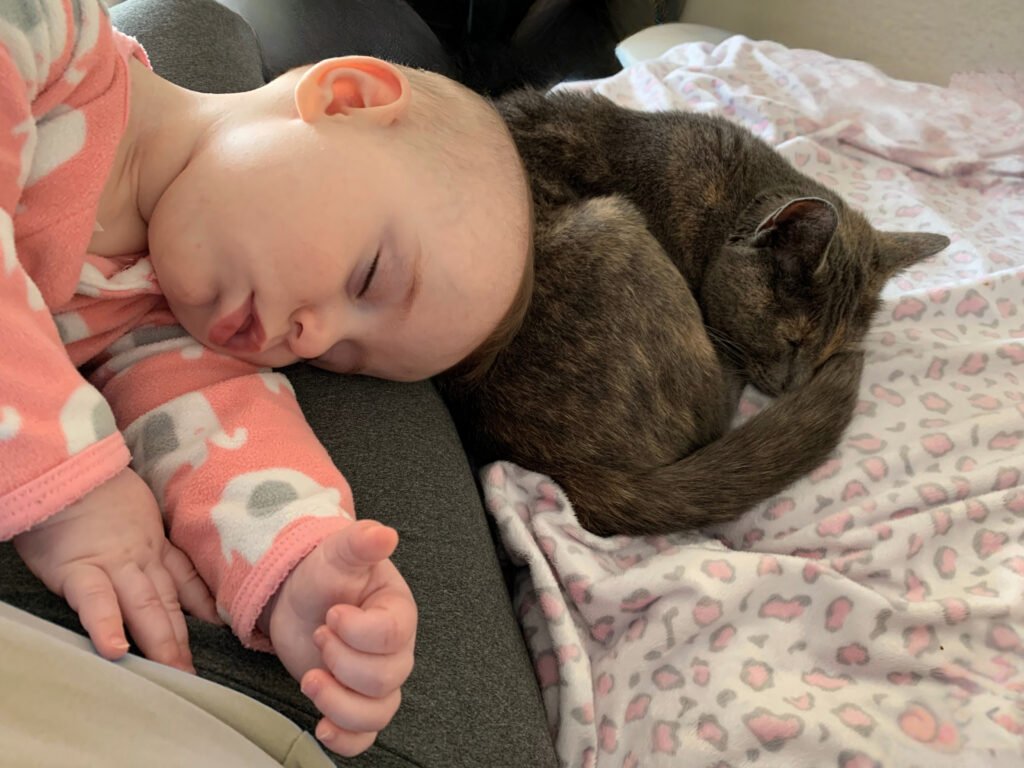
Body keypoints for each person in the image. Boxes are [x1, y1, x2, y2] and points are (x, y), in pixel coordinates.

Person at [0, 0, 533, 760]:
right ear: (345, 97)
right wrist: (70, 487)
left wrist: (304, 575)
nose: (312, 336)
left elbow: (224, 430)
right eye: (368, 276)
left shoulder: (151, 313)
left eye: (340, 360)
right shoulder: (46, 39)